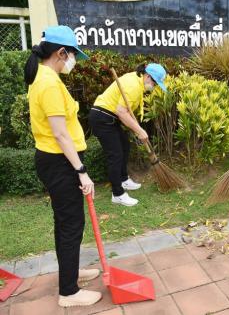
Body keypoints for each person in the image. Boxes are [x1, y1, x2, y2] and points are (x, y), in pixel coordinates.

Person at [25, 25, 102, 307]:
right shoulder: (48, 83)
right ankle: (68, 293)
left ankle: (71, 273)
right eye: (72, 55)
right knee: (71, 224)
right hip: (59, 163)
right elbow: (60, 133)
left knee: (67, 223)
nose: (73, 61)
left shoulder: (45, 78)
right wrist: (81, 171)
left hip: (54, 161)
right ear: (60, 52)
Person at [89, 63, 167, 206]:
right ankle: (117, 194)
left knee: (125, 145)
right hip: (102, 117)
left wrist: (137, 128)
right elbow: (121, 111)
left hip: (110, 117)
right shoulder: (134, 86)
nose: (154, 87)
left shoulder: (136, 81)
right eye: (155, 83)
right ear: (148, 76)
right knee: (115, 154)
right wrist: (139, 131)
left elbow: (124, 112)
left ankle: (123, 180)